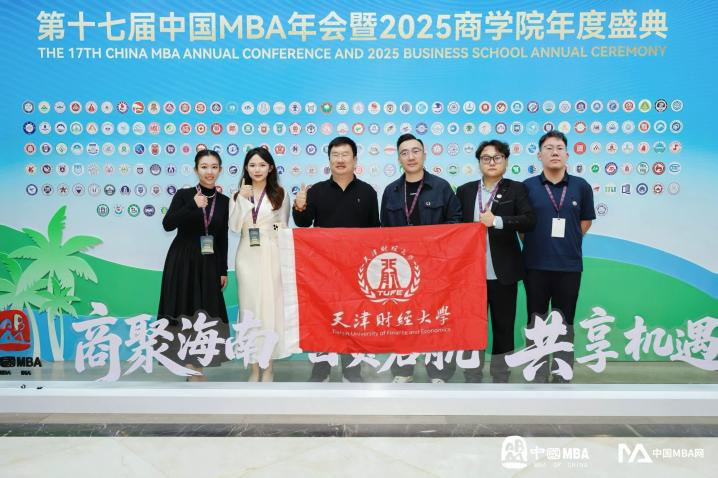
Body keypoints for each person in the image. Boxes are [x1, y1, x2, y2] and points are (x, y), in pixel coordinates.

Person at [293, 136, 380, 382]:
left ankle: (352, 371)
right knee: (323, 319)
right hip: (323, 269)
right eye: (335, 155)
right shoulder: (317, 190)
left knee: (354, 319)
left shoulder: (367, 191)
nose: (340, 160)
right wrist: (299, 207)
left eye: (345, 155)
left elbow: (374, 231)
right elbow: (303, 223)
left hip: (357, 269)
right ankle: (321, 369)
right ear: (329, 159)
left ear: (355, 160)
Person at [380, 133, 462, 383]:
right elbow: (383, 231)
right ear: (398, 158)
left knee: (437, 318)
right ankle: (402, 371)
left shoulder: (441, 187)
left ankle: (439, 372)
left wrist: (432, 243)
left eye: (415, 151)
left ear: (424, 155)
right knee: (402, 319)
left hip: (436, 266)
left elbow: (456, 223)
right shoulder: (391, 191)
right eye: (404, 152)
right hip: (402, 269)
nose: (411, 156)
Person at [456, 140, 535, 383]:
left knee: (503, 326)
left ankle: (501, 373)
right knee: (472, 326)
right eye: (486, 158)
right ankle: (472, 372)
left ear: (506, 161)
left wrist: (498, 221)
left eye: (497, 157)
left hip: (503, 272)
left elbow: (529, 220)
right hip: (471, 274)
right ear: (479, 162)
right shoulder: (465, 191)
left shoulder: (516, 189)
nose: (492, 162)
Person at [522, 130, 595, 383]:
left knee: (565, 321)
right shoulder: (527, 187)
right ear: (539, 155)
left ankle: (562, 371)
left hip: (569, 266)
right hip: (535, 265)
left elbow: (585, 222)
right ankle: (537, 369)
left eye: (559, 148)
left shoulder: (581, 186)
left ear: (567, 154)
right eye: (549, 148)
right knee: (536, 320)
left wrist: (566, 242)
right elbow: (523, 227)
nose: (554, 152)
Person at [157, 149, 229, 381]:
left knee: (204, 312)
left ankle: (197, 366)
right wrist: (191, 205)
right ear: (196, 169)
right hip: (183, 260)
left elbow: (222, 238)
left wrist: (223, 270)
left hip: (209, 262)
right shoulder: (184, 195)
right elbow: (168, 224)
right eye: (204, 167)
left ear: (220, 170)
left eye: (214, 167)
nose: (209, 172)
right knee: (184, 309)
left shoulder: (224, 202)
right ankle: (188, 367)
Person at [230, 147, 292, 382]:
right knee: (250, 309)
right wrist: (243, 200)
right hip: (247, 255)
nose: (257, 169)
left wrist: (273, 230)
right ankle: (254, 367)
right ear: (246, 168)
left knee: (270, 310)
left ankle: (268, 367)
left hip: (272, 253)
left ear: (270, 168)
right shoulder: (238, 195)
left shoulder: (280, 193)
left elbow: (282, 225)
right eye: (252, 165)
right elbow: (234, 226)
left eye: (262, 165)